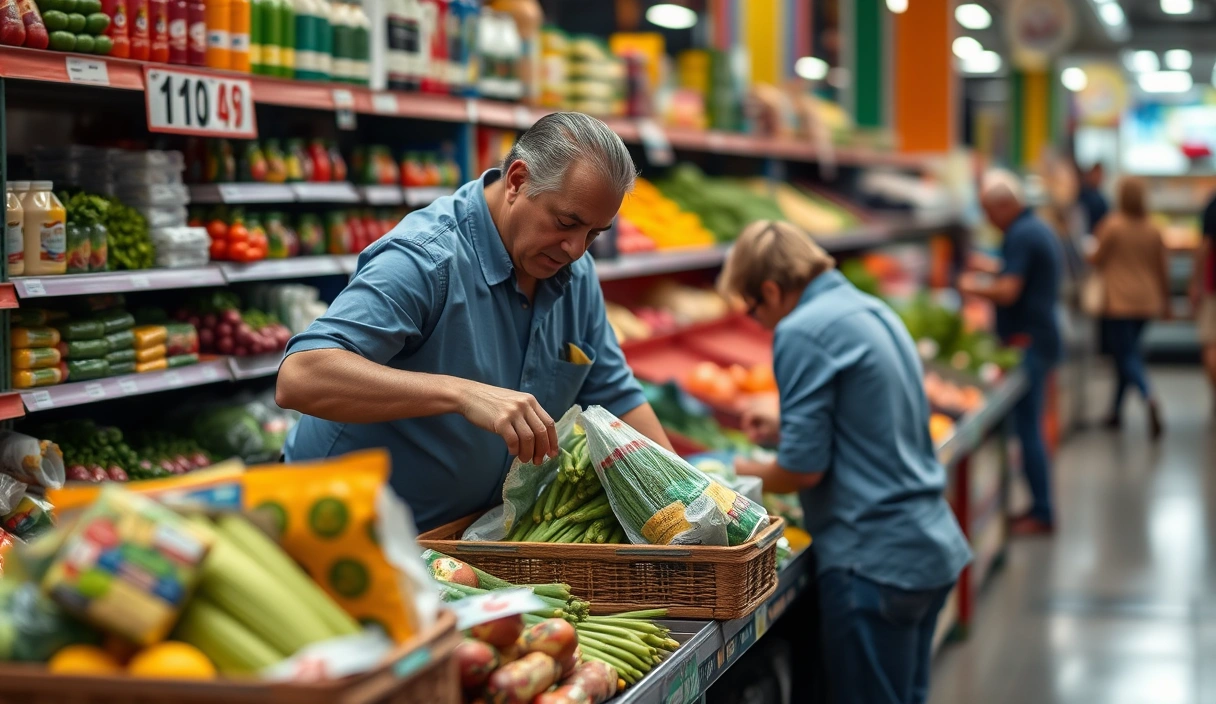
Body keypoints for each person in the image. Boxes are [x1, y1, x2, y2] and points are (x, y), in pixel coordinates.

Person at [276, 112, 672, 531]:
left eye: (594, 233)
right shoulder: (426, 259)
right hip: (341, 530)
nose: (576, 248)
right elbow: (300, 376)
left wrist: (684, 496)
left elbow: (616, 395)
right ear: (518, 180)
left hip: (457, 542)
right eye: (566, 223)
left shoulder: (574, 274)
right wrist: (461, 393)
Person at [722, 221, 971, 704]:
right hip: (926, 545)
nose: (760, 323)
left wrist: (735, 471)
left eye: (754, 310)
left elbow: (801, 471)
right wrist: (786, 428)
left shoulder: (801, 329)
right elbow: (876, 422)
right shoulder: (871, 309)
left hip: (873, 560)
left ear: (771, 290)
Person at [959, 170, 1062, 536]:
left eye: (989, 211)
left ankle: (1043, 512)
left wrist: (971, 286)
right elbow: (1019, 274)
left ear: (1006, 204)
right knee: (1029, 427)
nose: (988, 220)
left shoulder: (1020, 234)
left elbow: (1009, 292)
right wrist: (990, 268)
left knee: (1028, 430)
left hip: (1028, 342)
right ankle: (1038, 507)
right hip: (1040, 338)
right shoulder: (1032, 229)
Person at [1089, 177, 1170, 437]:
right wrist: (1166, 301)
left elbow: (1096, 258)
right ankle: (1115, 412)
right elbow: (1162, 269)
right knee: (1129, 354)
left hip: (1119, 301)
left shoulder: (1112, 225)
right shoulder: (1154, 228)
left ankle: (1148, 396)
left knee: (1125, 356)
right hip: (1147, 301)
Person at [1196, 192, 1216, 415]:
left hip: (1214, 285)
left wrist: (1195, 282)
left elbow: (1204, 246)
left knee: (1211, 342)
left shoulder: (1213, 205)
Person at [1077, 162, 1110, 234]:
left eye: (1101, 175)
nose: (1099, 178)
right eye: (1097, 174)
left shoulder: (1101, 198)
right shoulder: (1082, 195)